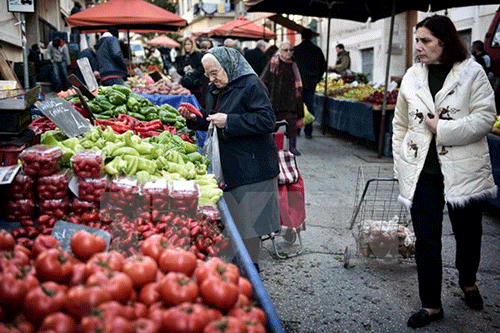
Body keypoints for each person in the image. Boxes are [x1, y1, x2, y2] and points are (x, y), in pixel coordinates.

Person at [392, 15, 498, 329]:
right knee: (427, 240)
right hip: (423, 173)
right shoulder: (412, 75)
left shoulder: (472, 73)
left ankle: (468, 283)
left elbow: (485, 119)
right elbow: (400, 124)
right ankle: (431, 305)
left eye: (425, 41)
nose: (418, 47)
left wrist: (444, 129)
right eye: (417, 40)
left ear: (444, 42)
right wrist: (401, 160)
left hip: (464, 170)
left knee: (468, 235)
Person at [178, 47, 280, 271]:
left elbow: (267, 121)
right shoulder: (216, 87)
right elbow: (213, 117)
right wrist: (195, 119)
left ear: (230, 66)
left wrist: (231, 121)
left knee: (251, 227)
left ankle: (251, 274)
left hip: (254, 167)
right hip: (233, 165)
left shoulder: (252, 85)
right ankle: (237, 269)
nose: (212, 79)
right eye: (208, 75)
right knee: (236, 223)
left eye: (215, 73)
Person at [260, 41, 304, 156]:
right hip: (275, 101)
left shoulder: (294, 64)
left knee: (292, 124)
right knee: (272, 126)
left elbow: (299, 85)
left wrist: (300, 109)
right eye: (285, 50)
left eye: (291, 50)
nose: (288, 52)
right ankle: (268, 147)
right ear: (280, 50)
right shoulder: (273, 63)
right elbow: (263, 81)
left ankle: (292, 147)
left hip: (291, 101)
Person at [293, 28, 326, 139]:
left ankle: (297, 130)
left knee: (297, 106)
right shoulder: (317, 50)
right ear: (311, 37)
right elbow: (323, 67)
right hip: (311, 82)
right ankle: (308, 131)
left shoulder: (296, 50)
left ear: (302, 36)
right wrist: (317, 78)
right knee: (310, 106)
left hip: (297, 83)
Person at [176, 37, 205, 105]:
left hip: (196, 85)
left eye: (189, 44)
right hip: (185, 85)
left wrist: (192, 71)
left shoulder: (198, 55)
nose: (187, 46)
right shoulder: (182, 56)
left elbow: (202, 69)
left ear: (192, 45)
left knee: (195, 104)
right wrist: (183, 69)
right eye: (185, 44)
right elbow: (178, 69)